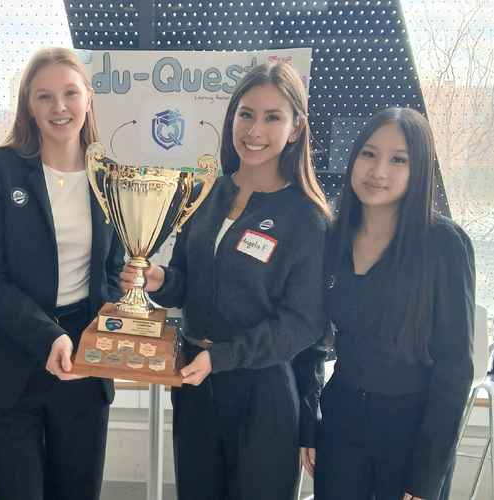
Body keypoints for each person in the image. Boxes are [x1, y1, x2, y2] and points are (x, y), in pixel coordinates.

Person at [122, 62, 331, 500]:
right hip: (195, 384)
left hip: (262, 392)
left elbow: (302, 322)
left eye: (273, 117)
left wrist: (224, 358)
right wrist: (160, 280)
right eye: (246, 113)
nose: (255, 129)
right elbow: (187, 282)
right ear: (231, 117)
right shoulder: (204, 194)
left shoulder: (306, 218)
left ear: (295, 130)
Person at [0, 47, 125, 500]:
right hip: (7, 360)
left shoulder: (108, 177)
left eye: (70, 93)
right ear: (27, 105)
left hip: (84, 362)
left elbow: (112, 273)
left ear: (88, 98)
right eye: (44, 96)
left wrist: (107, 333)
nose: (59, 107)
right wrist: (46, 336)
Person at [312, 107, 475, 500]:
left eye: (398, 159)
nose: (378, 170)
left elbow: (456, 369)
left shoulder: (445, 245)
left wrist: (426, 477)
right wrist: (308, 426)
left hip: (411, 431)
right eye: (369, 154)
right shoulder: (333, 239)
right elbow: (311, 338)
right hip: (341, 422)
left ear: (419, 169)